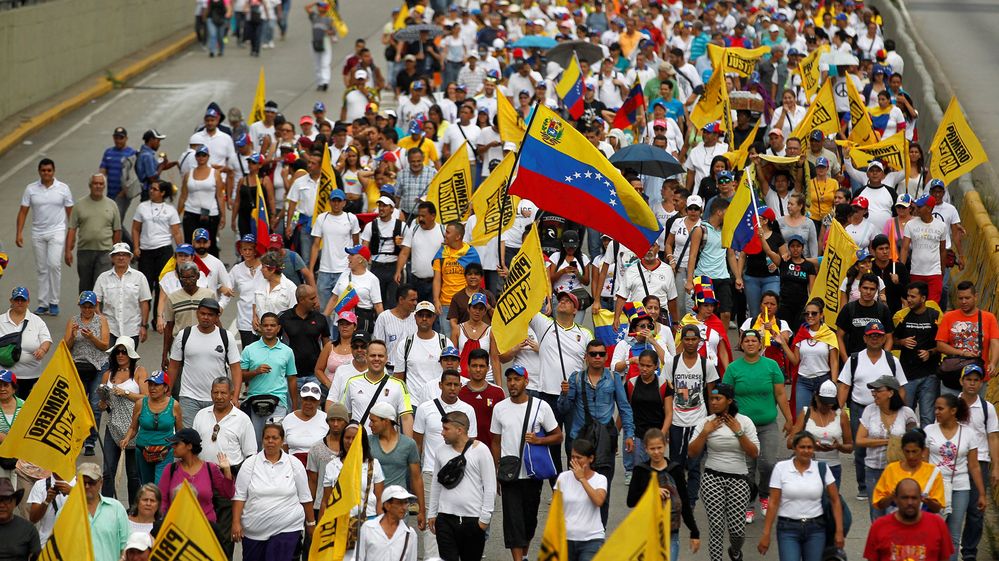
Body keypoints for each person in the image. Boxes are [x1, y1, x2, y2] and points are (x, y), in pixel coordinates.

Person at [558, 340, 635, 525]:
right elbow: (564, 409)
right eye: (593, 354)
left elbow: (624, 407)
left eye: (601, 354)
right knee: (577, 488)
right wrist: (564, 394)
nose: (597, 357)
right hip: (580, 441)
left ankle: (599, 530)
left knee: (603, 488)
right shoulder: (576, 378)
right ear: (586, 357)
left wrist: (629, 434)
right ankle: (578, 529)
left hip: (604, 441)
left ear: (606, 357)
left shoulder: (613, 377)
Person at [491, 366, 562, 561]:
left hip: (532, 473)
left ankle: (524, 556)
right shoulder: (500, 408)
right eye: (510, 379)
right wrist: (496, 470)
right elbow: (495, 441)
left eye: (517, 379)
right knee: (513, 523)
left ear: (526, 382)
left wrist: (539, 440)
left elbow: (558, 436)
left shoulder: (541, 406)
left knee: (529, 520)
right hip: (509, 474)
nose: (512, 383)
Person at [726, 329, 793, 524]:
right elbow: (726, 398)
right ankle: (748, 504)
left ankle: (765, 495)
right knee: (747, 467)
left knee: (768, 464)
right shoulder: (733, 368)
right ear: (741, 344)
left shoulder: (771, 366)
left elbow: (781, 394)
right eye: (746, 341)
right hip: (743, 428)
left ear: (760, 344)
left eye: (754, 340)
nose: (750, 344)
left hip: (767, 424)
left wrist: (789, 419)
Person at [838, 320, 910, 501]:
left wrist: (899, 408)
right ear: (865, 338)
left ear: (884, 337)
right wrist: (837, 410)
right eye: (871, 336)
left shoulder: (892, 361)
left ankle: (889, 481)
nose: (875, 339)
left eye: (878, 335)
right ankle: (863, 485)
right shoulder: (854, 359)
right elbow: (845, 385)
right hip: (859, 408)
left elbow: (901, 387)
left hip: (886, 410)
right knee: (860, 447)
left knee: (890, 445)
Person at [688, 384, 760, 561]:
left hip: (739, 479)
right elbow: (691, 453)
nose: (713, 402)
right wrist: (705, 433)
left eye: (718, 398)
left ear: (729, 400)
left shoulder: (744, 421)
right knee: (716, 526)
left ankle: (735, 551)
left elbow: (754, 452)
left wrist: (739, 432)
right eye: (711, 399)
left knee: (737, 530)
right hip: (713, 477)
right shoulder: (706, 422)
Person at [416, 371, 478, 558]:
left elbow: (471, 444)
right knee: (431, 519)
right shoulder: (425, 408)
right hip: (430, 471)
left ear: (460, 386)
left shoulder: (468, 410)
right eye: (448, 384)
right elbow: (417, 442)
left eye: (456, 385)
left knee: (457, 518)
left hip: (461, 474)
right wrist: (416, 472)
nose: (452, 388)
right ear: (440, 385)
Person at [232, 423, 316, 561]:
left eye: (275, 438)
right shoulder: (250, 464)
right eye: (267, 438)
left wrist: (311, 524)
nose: (270, 441)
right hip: (254, 530)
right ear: (262, 440)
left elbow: (305, 497)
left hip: (287, 527)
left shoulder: (294, 463)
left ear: (282, 441)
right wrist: (236, 522)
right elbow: (240, 496)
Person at [758, 432, 844, 561]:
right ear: (794, 448)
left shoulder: (822, 468)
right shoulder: (781, 468)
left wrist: (839, 531)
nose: (806, 451)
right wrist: (766, 533)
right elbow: (773, 502)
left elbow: (835, 500)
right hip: (788, 529)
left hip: (816, 529)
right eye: (802, 447)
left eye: (809, 447)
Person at [925, 394, 987, 558]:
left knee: (953, 536)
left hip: (960, 487)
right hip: (934, 489)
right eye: (935, 408)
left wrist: (981, 493)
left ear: (953, 411)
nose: (936, 412)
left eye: (940, 408)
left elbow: (974, 466)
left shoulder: (968, 433)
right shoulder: (929, 431)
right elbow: (923, 462)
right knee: (932, 533)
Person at [427, 410, 493, 561]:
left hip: (472, 520)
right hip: (445, 519)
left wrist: (484, 520)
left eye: (446, 429)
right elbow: (437, 484)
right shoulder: (440, 451)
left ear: (460, 430)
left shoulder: (481, 450)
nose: (442, 433)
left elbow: (490, 486)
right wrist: (432, 513)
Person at [168, 298, 242, 429]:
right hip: (188, 397)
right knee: (189, 439)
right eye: (203, 314)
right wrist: (167, 393)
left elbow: (235, 368)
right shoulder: (184, 335)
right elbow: (173, 366)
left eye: (210, 315)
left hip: (218, 398)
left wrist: (235, 396)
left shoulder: (226, 336)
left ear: (217, 317)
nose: (206, 317)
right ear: (197, 313)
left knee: (215, 437)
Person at [15, 158, 74, 317]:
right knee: (42, 268)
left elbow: (71, 214)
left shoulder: (63, 188)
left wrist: (72, 236)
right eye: (43, 170)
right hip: (38, 232)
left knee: (54, 264)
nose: (46, 173)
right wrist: (19, 232)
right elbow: (23, 212)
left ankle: (54, 301)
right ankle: (43, 303)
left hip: (57, 230)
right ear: (39, 171)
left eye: (49, 170)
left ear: (53, 171)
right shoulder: (31, 189)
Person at [320, 422, 384, 561]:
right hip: (339, 525)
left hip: (369, 522)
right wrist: (321, 530)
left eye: (354, 438)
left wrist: (381, 527)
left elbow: (379, 499)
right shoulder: (333, 465)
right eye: (347, 438)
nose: (350, 442)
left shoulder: (373, 464)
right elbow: (326, 500)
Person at [857, 375, 919, 519]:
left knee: (897, 513)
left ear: (891, 393)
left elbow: (916, 440)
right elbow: (860, 440)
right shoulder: (869, 411)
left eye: (878, 390)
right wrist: (888, 442)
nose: (874, 394)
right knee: (876, 513)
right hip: (874, 471)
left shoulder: (906, 413)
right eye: (873, 391)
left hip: (899, 471)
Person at [957, 364, 999, 560]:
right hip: (956, 461)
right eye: (969, 379)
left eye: (976, 380)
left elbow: (993, 437)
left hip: (980, 462)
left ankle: (969, 551)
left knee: (976, 510)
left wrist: (995, 467)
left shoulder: (987, 407)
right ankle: (949, 545)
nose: (972, 383)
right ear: (961, 381)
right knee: (951, 508)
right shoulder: (951, 404)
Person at [98, 337, 147, 504]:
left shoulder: (139, 372)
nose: (120, 355)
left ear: (130, 354)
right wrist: (103, 402)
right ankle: (106, 505)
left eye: (124, 351)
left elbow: (146, 398)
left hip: (134, 428)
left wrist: (125, 393)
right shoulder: (107, 374)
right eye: (117, 351)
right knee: (108, 470)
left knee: (133, 474)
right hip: (112, 427)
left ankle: (133, 509)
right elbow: (103, 405)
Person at [65, 290, 111, 455]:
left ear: (94, 306)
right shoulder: (73, 321)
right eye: (84, 306)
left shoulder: (101, 321)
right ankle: (76, 438)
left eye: (90, 306)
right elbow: (66, 346)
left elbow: (105, 345)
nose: (86, 310)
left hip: (98, 366)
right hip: (78, 366)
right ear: (80, 306)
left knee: (94, 404)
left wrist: (92, 337)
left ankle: (90, 441)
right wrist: (73, 335)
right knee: (76, 405)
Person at [159, 428, 235, 527]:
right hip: (177, 527)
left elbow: (228, 494)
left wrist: (227, 471)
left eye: (176, 444)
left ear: (189, 446)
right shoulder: (170, 469)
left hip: (206, 529)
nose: (173, 446)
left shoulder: (210, 468)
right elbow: (162, 500)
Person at [863, 479, 954, 561]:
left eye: (914, 498)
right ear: (895, 499)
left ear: (921, 499)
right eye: (905, 498)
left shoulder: (937, 525)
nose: (910, 502)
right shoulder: (879, 526)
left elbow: (945, 558)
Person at [785, 379, 853, 489]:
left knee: (830, 502)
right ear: (816, 397)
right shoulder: (806, 413)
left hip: (832, 467)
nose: (826, 406)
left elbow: (850, 447)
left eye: (830, 403)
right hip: (808, 466)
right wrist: (810, 445)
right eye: (823, 402)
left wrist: (839, 446)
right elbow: (790, 442)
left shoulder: (841, 415)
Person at [241, 312, 298, 441]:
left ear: (278, 328)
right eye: (265, 325)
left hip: (279, 403)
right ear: (260, 327)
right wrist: (255, 372)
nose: (269, 328)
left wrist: (294, 406)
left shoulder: (287, 351)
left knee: (275, 440)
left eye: (272, 325)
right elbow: (240, 377)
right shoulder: (249, 349)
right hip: (255, 402)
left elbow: (292, 379)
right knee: (257, 442)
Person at [131, 179, 183, 321]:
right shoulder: (142, 207)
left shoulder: (170, 210)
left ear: (162, 193)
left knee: (162, 285)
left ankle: (158, 317)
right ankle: (143, 320)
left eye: (154, 189)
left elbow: (177, 232)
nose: (151, 191)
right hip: (146, 251)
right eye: (151, 188)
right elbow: (135, 229)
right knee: (145, 285)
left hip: (164, 250)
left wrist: (181, 251)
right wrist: (136, 247)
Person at [367, 401, 424, 527]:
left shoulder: (409, 444)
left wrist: (422, 510)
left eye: (373, 421)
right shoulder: (367, 442)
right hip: (372, 505)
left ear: (386, 421)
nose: (370, 424)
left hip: (399, 504)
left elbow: (416, 478)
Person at [121, 370, 182, 485]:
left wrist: (182, 451)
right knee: (146, 486)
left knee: (160, 486)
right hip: (142, 451)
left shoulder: (174, 405)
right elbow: (133, 428)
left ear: (165, 388)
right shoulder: (140, 404)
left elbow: (179, 431)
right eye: (150, 384)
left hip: (165, 452)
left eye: (156, 385)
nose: (152, 388)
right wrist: (126, 439)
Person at [622, 349, 673, 485]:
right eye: (641, 365)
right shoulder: (631, 384)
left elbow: (669, 413)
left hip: (656, 434)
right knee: (641, 472)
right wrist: (617, 433)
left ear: (656, 366)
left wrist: (662, 434)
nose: (644, 369)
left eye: (648, 366)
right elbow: (625, 410)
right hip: (637, 433)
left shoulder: (663, 384)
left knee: (656, 473)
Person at [936, 281, 999, 391]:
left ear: (975, 297)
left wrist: (993, 363)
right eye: (960, 298)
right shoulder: (948, 317)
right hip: (953, 376)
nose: (963, 302)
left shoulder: (989, 318)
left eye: (967, 298)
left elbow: (995, 342)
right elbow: (940, 345)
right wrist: (962, 353)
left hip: (977, 377)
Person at [341, 340, 414, 435]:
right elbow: (346, 415)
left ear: (386, 358)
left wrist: (408, 446)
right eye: (372, 355)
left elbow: (406, 417)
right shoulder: (352, 382)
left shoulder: (399, 385)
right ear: (366, 357)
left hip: (388, 446)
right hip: (360, 444)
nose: (376, 359)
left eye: (380, 356)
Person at [894, 281, 942, 426]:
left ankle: (926, 447)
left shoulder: (935, 316)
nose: (909, 299)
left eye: (913, 297)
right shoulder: (901, 316)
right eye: (908, 296)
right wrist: (902, 342)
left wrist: (930, 352)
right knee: (905, 417)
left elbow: (943, 344)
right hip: (907, 375)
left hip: (930, 375)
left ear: (923, 298)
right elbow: (890, 340)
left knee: (928, 417)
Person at [65, 173, 122, 292]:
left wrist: (116, 252)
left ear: (104, 186)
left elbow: (117, 231)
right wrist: (68, 251)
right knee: (85, 286)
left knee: (100, 285)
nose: (98, 186)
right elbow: (72, 229)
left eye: (101, 184)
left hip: (105, 252)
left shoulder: (112, 205)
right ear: (90, 185)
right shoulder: (79, 205)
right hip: (85, 252)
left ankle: (99, 311)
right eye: (95, 183)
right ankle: (85, 310)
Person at [780, 299, 839, 412]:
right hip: (803, 381)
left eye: (814, 313)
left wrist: (834, 383)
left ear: (821, 315)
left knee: (823, 417)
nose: (810, 316)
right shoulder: (801, 333)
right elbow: (795, 361)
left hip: (823, 380)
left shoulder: (829, 334)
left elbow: (834, 362)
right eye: (807, 313)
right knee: (802, 418)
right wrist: (783, 344)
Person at [556, 439, 608, 561]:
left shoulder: (600, 479)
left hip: (592, 539)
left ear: (591, 458)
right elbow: (556, 508)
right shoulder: (563, 478)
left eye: (579, 458)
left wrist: (582, 479)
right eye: (572, 457)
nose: (575, 461)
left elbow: (599, 501)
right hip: (566, 538)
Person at [872, 427, 945, 515]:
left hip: (923, 523)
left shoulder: (933, 472)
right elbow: (879, 504)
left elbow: (937, 508)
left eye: (915, 451)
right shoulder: (891, 469)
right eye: (907, 451)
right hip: (896, 522)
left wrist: (927, 501)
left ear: (923, 451)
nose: (911, 456)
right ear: (902, 450)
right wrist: (891, 497)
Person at [310, 189, 362, 314]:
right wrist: (311, 269)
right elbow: (316, 245)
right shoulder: (322, 218)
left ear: (344, 202)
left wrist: (354, 267)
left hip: (344, 269)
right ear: (330, 202)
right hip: (324, 270)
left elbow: (356, 245)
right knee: (323, 309)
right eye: (334, 201)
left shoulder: (351, 218)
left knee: (343, 309)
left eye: (339, 201)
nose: (336, 204)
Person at [94, 242, 153, 347]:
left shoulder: (139, 277)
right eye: (117, 254)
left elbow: (144, 303)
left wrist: (144, 326)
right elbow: (96, 302)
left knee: (128, 360)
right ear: (112, 258)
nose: (121, 258)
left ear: (130, 257)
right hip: (110, 328)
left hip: (132, 329)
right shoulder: (103, 278)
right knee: (110, 359)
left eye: (124, 254)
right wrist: (101, 320)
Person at [0, 287, 53, 399]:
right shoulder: (1, 320)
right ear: (11, 301)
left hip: (31, 377)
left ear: (28, 301)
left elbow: (46, 340)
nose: (20, 302)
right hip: (4, 379)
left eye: (23, 300)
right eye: (17, 299)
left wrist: (42, 350)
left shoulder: (37, 321)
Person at [433, 222, 481, 338]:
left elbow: (477, 279)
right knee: (447, 338)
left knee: (467, 337)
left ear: (458, 236)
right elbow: (437, 279)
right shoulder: (441, 253)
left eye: (448, 232)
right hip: (446, 303)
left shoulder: (470, 253)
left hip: (467, 303)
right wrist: (436, 300)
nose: (445, 235)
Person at [279, 285, 330, 393]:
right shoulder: (284, 318)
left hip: (314, 376)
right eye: (312, 298)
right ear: (301, 300)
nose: (316, 301)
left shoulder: (320, 319)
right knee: (293, 409)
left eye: (316, 297)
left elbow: (327, 346)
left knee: (312, 409)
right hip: (291, 376)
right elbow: (275, 344)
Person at [324, 245, 385, 335]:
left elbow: (378, 306)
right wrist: (323, 319)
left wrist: (384, 326)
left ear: (360, 259)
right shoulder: (344, 274)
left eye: (351, 255)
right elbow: (334, 298)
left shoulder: (372, 279)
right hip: (340, 324)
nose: (348, 257)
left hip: (359, 325)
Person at [178, 146, 226, 255]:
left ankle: (212, 269)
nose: (201, 157)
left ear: (208, 157)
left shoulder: (215, 173)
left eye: (204, 155)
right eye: (199, 155)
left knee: (210, 243)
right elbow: (183, 195)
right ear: (195, 157)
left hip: (210, 214)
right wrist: (177, 213)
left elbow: (220, 195)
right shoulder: (188, 174)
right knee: (190, 243)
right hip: (191, 212)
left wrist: (223, 216)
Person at [80, 462, 130, 561]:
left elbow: (126, 544)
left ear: (101, 483)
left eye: (91, 482)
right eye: (83, 482)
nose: (87, 486)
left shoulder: (116, 508)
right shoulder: (66, 511)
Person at [357, 485, 418, 561]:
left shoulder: (410, 534)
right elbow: (359, 557)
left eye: (406, 503)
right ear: (387, 506)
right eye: (400, 503)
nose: (404, 507)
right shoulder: (368, 528)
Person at [459, 348, 506, 448]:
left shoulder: (498, 392)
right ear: (468, 367)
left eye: (482, 366)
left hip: (491, 449)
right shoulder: (459, 392)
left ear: (488, 368)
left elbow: (504, 424)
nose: (478, 369)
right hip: (464, 450)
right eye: (474, 366)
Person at [26, 470, 75, 547]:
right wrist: (46, 501)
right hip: (46, 544)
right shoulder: (40, 485)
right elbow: (33, 518)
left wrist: (73, 492)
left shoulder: (80, 483)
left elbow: (92, 511)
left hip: (72, 544)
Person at [282, 383, 328, 465]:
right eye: (305, 399)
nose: (308, 403)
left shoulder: (326, 419)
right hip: (293, 464)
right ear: (300, 399)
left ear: (319, 401)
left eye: (313, 400)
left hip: (318, 464)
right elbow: (283, 448)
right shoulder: (288, 419)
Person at [252, 253, 297, 327]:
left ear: (272, 270)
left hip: (279, 334)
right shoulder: (260, 283)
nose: (261, 270)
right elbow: (254, 302)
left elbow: (293, 314)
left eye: (263, 267)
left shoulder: (290, 288)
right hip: (259, 332)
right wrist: (254, 317)